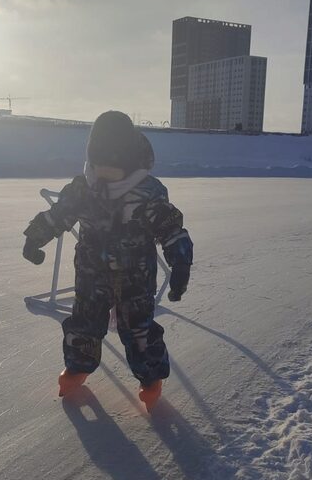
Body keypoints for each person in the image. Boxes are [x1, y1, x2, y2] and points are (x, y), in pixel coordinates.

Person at [22, 110, 193, 410]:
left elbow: (171, 229)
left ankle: (151, 378)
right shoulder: (84, 189)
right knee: (85, 321)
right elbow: (58, 215)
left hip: (135, 277)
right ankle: (78, 367)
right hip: (91, 273)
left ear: (128, 163)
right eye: (98, 166)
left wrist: (180, 264)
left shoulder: (147, 193)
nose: (103, 175)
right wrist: (35, 237)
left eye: (111, 169)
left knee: (138, 328)